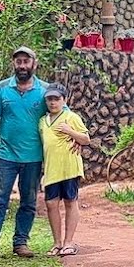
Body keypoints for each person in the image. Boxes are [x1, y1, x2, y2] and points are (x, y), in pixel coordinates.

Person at [0, 46, 46, 261]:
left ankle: (21, 242)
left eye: (26, 61)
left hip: (34, 157)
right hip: (5, 156)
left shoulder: (45, 91)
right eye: (19, 62)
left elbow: (59, 117)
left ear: (34, 63)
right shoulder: (2, 88)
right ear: (14, 64)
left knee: (28, 201)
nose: (22, 65)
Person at [38, 83, 90, 256]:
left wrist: (71, 132)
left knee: (70, 201)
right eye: (50, 99)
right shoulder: (42, 121)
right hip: (51, 169)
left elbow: (86, 139)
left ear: (64, 100)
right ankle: (57, 242)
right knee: (51, 204)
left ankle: (69, 242)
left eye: (56, 99)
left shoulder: (71, 117)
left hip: (69, 167)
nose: (53, 103)